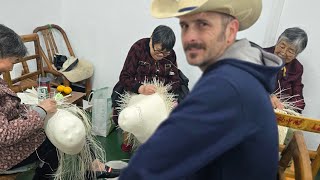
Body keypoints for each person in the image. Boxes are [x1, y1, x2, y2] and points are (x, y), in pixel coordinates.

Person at [119, 0, 283, 179]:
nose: (189, 37)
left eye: (203, 24)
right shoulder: (240, 73)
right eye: (185, 25)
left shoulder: (227, 85)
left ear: (230, 30)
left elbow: (158, 157)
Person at [0, 24, 58, 179]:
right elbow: (5, 135)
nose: (12, 68)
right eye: (12, 61)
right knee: (55, 144)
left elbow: (9, 107)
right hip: (3, 156)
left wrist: (34, 108)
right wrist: (40, 111)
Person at [112, 25, 181, 152]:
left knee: (175, 113)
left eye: (166, 52)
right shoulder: (138, 48)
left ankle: (158, 144)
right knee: (133, 113)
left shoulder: (171, 55)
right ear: (151, 40)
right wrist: (140, 88)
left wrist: (165, 90)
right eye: (158, 50)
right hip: (138, 92)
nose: (161, 55)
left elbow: (176, 79)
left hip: (161, 94)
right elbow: (124, 76)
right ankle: (128, 141)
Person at [265, 27, 308, 113]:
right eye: (282, 46)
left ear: (296, 54)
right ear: (277, 42)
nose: (283, 52)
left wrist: (285, 107)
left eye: (290, 51)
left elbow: (299, 101)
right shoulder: (260, 56)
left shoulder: (297, 68)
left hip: (280, 112)